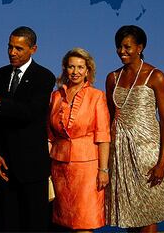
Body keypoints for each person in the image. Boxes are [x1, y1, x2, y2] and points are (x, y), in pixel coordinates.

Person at [0, 26, 56, 231]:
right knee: (9, 223)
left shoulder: (44, 76)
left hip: (33, 168)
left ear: (33, 49)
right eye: (9, 47)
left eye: (18, 48)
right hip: (6, 167)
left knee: (35, 224)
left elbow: (31, 112)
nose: (12, 52)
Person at [105, 25, 164, 232]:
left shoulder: (156, 76)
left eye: (127, 47)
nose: (122, 51)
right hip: (121, 155)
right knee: (130, 215)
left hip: (149, 154)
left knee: (148, 214)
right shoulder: (112, 78)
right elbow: (109, 117)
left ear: (140, 47)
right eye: (119, 47)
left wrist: (162, 161)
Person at [48, 48, 110, 231]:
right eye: (71, 67)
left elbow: (103, 135)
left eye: (80, 67)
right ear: (65, 69)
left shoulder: (96, 96)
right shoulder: (56, 96)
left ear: (88, 70)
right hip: (59, 167)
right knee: (63, 222)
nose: (75, 72)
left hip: (87, 169)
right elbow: (49, 134)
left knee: (84, 221)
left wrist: (103, 170)